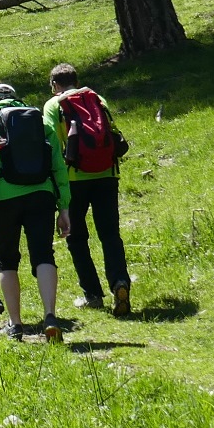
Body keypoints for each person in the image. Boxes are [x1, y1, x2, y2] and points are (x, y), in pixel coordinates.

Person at [0, 81, 70, 343]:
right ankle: (50, 316)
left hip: (5, 199)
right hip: (42, 195)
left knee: (7, 259)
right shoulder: (39, 120)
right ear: (17, 99)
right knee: (43, 254)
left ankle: (15, 324)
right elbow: (58, 165)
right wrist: (64, 207)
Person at [44, 62, 131, 317]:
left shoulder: (53, 106)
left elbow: (51, 144)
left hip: (73, 180)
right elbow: (113, 133)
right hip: (107, 175)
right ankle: (120, 283)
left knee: (76, 237)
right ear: (75, 79)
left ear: (54, 85)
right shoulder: (96, 97)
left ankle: (92, 294)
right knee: (110, 234)